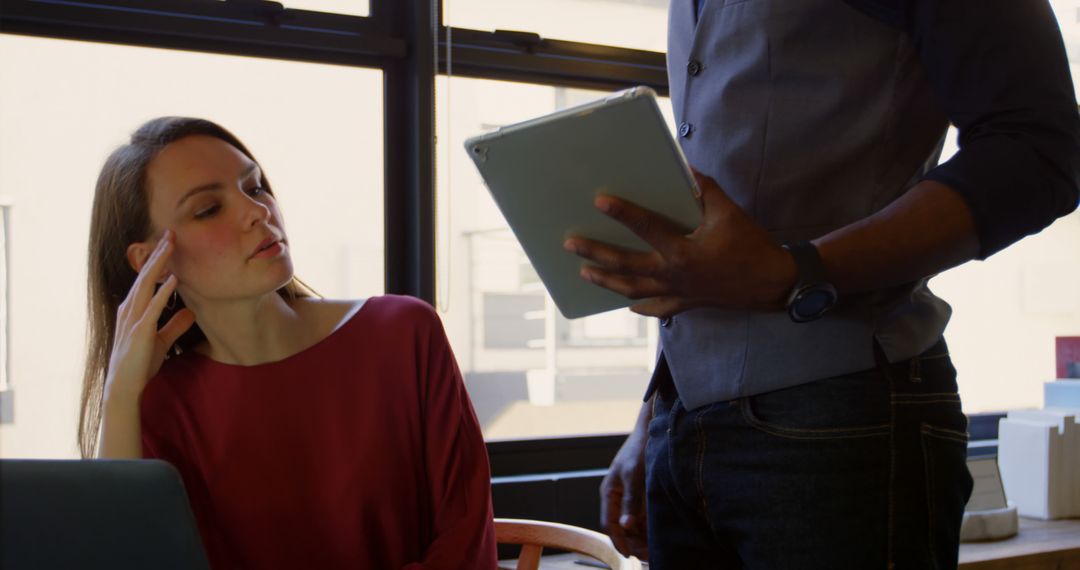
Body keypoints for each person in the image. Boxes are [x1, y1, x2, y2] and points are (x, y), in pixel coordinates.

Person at [569, 1, 1080, 568]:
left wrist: (798, 270)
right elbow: (712, 251)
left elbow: (1039, 151)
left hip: (843, 413)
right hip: (682, 427)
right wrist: (656, 418)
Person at [78, 117, 498, 569]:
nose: (257, 211)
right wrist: (120, 396)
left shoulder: (403, 334)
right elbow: (127, 557)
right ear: (150, 261)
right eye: (208, 210)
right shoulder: (158, 404)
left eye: (254, 187)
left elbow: (466, 546)